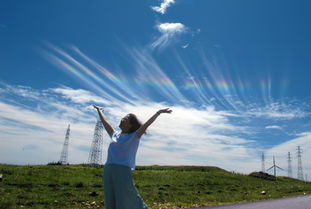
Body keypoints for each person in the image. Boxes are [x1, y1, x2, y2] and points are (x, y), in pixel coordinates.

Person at [93, 105, 172, 209]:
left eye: (125, 119)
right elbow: (105, 122)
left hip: (123, 171)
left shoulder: (135, 136)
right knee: (109, 198)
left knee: (126, 197)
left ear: (131, 125)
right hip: (108, 169)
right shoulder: (115, 135)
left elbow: (146, 124)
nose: (122, 119)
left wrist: (158, 112)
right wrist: (100, 111)